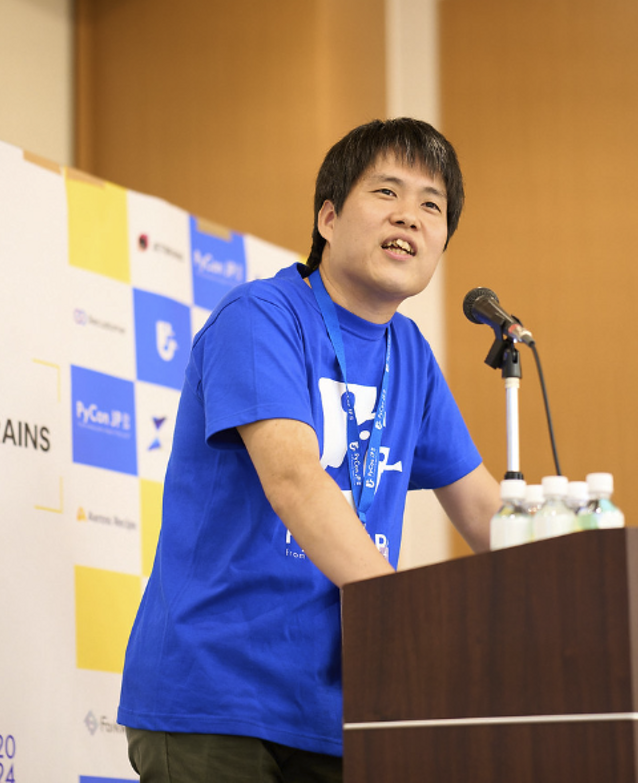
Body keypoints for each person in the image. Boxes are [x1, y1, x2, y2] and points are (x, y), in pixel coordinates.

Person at [118, 118, 501, 782]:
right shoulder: (260, 317)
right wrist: (411, 616)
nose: (409, 216)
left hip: (339, 711)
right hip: (217, 696)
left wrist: (595, 589)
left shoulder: (411, 355)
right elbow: (294, 479)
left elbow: (482, 508)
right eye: (387, 192)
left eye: (432, 205)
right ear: (328, 216)